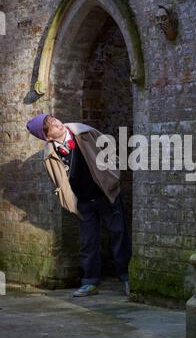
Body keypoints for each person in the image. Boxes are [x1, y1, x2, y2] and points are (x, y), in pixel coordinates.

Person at [26, 113, 131, 297]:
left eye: (54, 119)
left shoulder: (85, 133)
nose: (57, 123)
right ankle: (89, 282)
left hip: (106, 194)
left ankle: (126, 277)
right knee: (88, 241)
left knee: (119, 234)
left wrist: (112, 177)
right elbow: (58, 180)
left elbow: (109, 149)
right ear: (48, 136)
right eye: (51, 125)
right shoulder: (49, 154)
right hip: (83, 202)